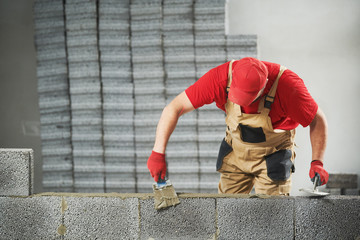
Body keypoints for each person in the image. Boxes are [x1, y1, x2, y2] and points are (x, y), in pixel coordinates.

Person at [146, 57, 329, 195]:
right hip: (236, 152)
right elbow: (174, 108)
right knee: (228, 215)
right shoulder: (220, 78)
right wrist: (157, 153)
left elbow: (317, 120)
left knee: (272, 219)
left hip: (273, 155)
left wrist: (317, 162)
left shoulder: (288, 86)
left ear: (264, 87)